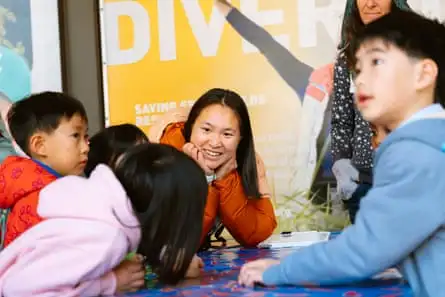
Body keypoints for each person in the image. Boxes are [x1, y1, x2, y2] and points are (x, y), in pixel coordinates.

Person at [238, 10, 445, 297]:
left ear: (423, 74)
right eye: (358, 68)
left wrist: (281, 270)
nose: (360, 79)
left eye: (377, 62)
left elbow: (365, 250)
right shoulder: (430, 143)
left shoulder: (417, 153)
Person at [0, 143, 208, 295]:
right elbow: (20, 290)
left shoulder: (102, 209)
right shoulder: (107, 236)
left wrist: (168, 259)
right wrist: (109, 283)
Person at [150, 88, 277, 248]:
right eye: (206, 130)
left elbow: (257, 232)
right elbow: (175, 241)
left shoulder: (246, 161)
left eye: (227, 134)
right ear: (190, 129)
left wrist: (224, 180)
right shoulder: (167, 152)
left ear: (240, 139)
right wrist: (206, 179)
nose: (215, 142)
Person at [331, 0, 410, 223]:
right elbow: (342, 121)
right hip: (363, 187)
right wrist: (342, 167)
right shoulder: (346, 59)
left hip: (410, 180)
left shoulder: (416, 53)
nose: (371, 3)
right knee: (371, 256)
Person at [0, 92, 89, 248]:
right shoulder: (45, 201)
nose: (86, 147)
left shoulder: (36, 190)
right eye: (76, 136)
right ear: (39, 145)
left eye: (86, 137)